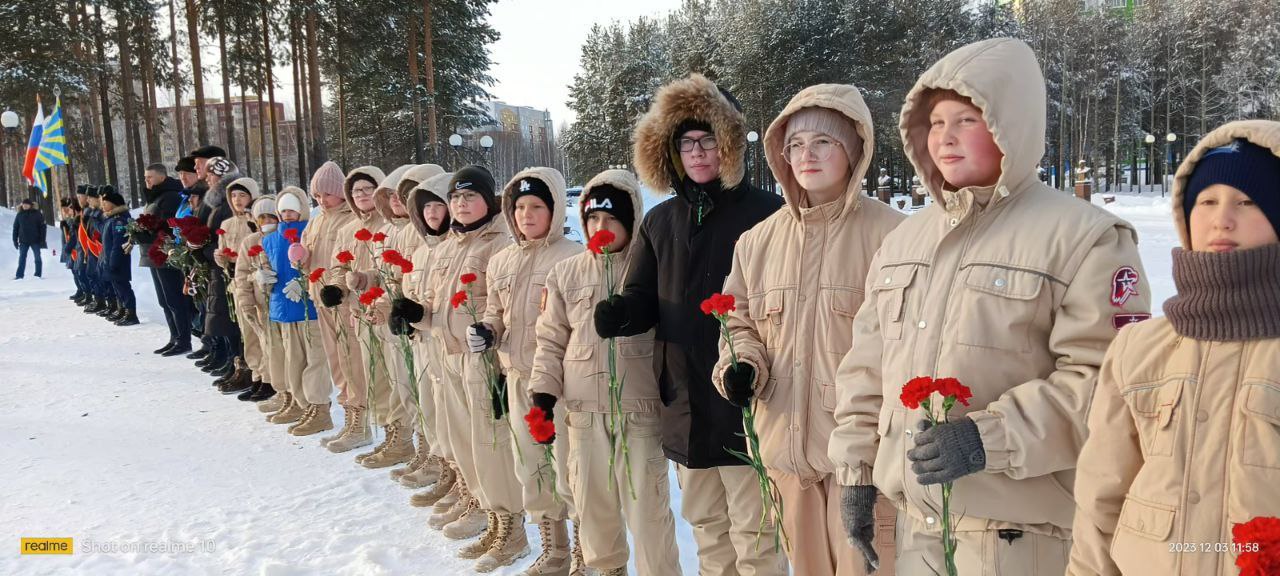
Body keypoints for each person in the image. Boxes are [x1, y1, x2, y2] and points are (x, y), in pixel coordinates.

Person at [826, 38, 1150, 575]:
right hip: (918, 534)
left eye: (966, 120)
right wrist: (857, 473)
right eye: (934, 123)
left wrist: (987, 438)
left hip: (1020, 539)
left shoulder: (1083, 237)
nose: (945, 138)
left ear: (1010, 125)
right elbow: (866, 367)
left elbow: (1107, 384)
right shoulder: (905, 241)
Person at [593, 73, 788, 576]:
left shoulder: (769, 215)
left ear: (728, 145)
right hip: (684, 398)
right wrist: (622, 314)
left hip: (750, 396)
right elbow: (643, 296)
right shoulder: (660, 222)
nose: (698, 153)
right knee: (706, 524)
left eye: (707, 140)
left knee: (756, 530)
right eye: (686, 143)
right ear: (671, 154)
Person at [1067, 121, 1280, 576]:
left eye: (1247, 201)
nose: (1222, 218)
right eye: (1206, 201)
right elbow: (1100, 497)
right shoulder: (1139, 347)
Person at [713, 84, 904, 576]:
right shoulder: (757, 241)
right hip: (786, 451)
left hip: (864, 465)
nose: (806, 155)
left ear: (853, 150)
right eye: (795, 145)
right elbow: (737, 321)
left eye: (823, 142)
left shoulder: (894, 236)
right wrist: (742, 364)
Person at [531, 169, 682, 576]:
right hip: (583, 413)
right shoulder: (566, 273)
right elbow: (550, 341)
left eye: (612, 219)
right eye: (594, 219)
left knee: (648, 515)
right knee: (594, 514)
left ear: (631, 220)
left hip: (639, 411)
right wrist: (543, 394)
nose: (601, 227)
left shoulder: (649, 269)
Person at [389, 165, 520, 567]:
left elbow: (508, 307)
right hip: (448, 356)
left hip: (484, 360)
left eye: (470, 196)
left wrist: (493, 339)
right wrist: (414, 314)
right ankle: (482, 507)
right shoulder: (448, 246)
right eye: (456, 198)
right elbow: (438, 308)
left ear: (488, 200)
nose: (461, 204)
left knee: (490, 444)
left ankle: (510, 528)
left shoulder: (501, 242)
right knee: (461, 439)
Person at [471, 167, 581, 575]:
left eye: (537, 206)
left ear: (554, 210)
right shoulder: (500, 261)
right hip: (518, 379)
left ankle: (587, 552)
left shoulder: (572, 258)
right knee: (532, 467)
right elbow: (495, 312)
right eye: (519, 207)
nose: (526, 215)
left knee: (571, 468)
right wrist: (487, 330)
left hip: (563, 386)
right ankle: (556, 550)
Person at [290, 161, 363, 443]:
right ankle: (348, 413)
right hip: (320, 298)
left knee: (351, 360)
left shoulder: (349, 218)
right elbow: (309, 254)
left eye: (327, 195)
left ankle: (360, 416)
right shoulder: (317, 219)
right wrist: (300, 258)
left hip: (342, 300)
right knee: (336, 361)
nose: (322, 200)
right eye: (317, 196)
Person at [398, 172, 459, 506]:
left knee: (455, 418)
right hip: (423, 345)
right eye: (425, 208)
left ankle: (463, 483)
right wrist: (403, 313)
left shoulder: (457, 248)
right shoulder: (421, 253)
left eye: (438, 205)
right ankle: (446, 472)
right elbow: (410, 291)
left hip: (447, 345)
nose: (432, 213)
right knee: (432, 408)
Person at [260, 184, 333, 435]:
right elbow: (267, 263)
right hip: (283, 306)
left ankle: (319, 406)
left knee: (315, 360)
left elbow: (323, 261)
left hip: (309, 307)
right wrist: (263, 277)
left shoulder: (311, 232)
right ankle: (300, 402)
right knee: (293, 360)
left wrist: (305, 280)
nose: (288, 215)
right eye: (284, 212)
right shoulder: (270, 238)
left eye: (293, 210)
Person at [213, 176, 262, 395]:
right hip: (235, 282)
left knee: (257, 330)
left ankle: (261, 374)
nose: (237, 200)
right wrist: (222, 259)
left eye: (243, 195)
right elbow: (223, 249)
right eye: (233, 195)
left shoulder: (257, 221)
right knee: (243, 330)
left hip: (256, 282)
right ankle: (248, 369)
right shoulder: (227, 224)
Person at [234, 194, 282, 404]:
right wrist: (245, 300)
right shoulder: (250, 242)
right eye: (262, 218)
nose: (267, 223)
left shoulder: (283, 238)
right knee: (255, 341)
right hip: (256, 301)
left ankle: (271, 380)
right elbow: (241, 274)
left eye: (271, 217)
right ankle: (258, 376)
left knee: (273, 344)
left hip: (275, 300)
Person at [141, 163, 188, 355]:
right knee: (164, 300)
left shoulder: (169, 196)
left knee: (173, 298)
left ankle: (183, 339)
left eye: (150, 177)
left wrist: (146, 231)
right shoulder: (155, 197)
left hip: (165, 253)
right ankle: (174, 337)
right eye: (145, 178)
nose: (147, 181)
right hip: (153, 253)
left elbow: (167, 226)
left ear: (162, 177)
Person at [97, 187, 139, 326]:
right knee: (117, 287)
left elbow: (118, 244)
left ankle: (131, 314)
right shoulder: (110, 219)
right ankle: (123, 310)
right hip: (110, 260)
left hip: (118, 261)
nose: (102, 204)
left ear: (114, 203)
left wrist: (113, 263)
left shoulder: (120, 220)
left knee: (123, 287)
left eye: (105, 202)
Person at [13, 197, 46, 279]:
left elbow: (42, 227)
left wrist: (42, 240)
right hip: (23, 241)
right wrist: (15, 240)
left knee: (37, 257)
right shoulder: (19, 215)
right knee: (22, 258)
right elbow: (15, 228)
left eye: (27, 204)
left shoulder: (37, 214)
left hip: (35, 240)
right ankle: (19, 275)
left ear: (30, 205)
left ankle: (38, 274)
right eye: (24, 204)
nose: (25, 206)